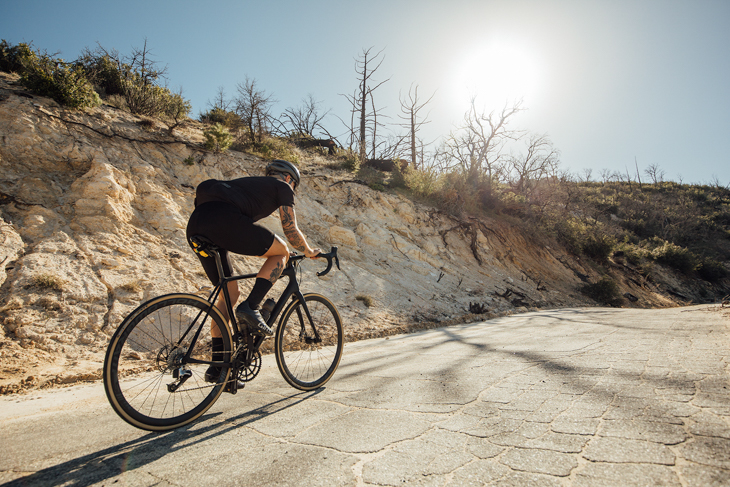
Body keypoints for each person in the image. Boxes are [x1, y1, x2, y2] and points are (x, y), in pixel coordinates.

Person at [186, 159, 321, 384]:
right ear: (289, 178)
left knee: (228, 295)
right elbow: (290, 228)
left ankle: (219, 368)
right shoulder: (283, 186)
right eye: (294, 185)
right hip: (224, 220)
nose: (292, 189)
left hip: (196, 226)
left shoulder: (247, 186)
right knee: (282, 252)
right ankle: (251, 307)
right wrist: (308, 250)